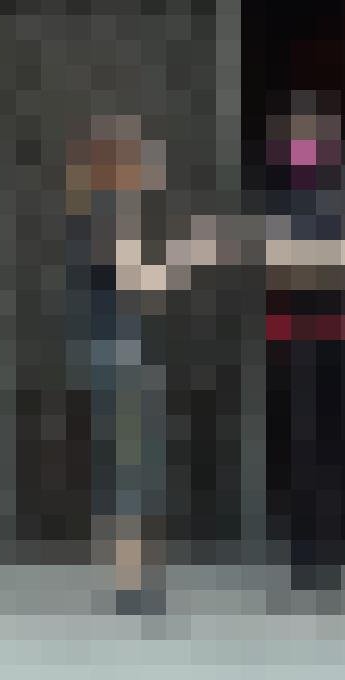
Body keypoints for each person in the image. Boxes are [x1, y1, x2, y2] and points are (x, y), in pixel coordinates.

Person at [62, 115, 228, 616]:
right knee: (132, 464)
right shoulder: (113, 213)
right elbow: (140, 279)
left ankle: (130, 574)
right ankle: (131, 579)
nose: (156, 165)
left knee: (127, 462)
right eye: (146, 156)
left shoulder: (97, 212)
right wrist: (195, 253)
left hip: (111, 347)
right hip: (120, 349)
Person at [257, 95, 345, 610]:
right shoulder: (280, 194)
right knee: (308, 453)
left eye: (311, 132)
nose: (305, 144)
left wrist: (316, 262)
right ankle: (313, 567)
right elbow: (279, 266)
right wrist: (335, 261)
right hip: (303, 336)